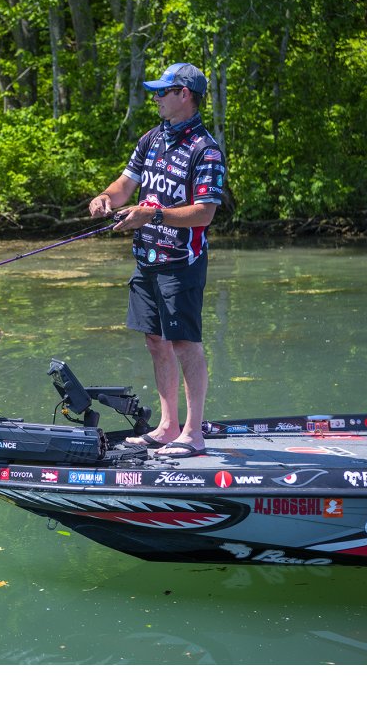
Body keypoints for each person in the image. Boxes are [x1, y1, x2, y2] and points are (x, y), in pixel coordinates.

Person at [89, 62, 226, 458]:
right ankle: (168, 427)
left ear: (185, 94)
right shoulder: (152, 138)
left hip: (181, 262)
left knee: (185, 343)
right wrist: (106, 198)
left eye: (163, 91)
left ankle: (193, 434)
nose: (156, 98)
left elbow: (204, 213)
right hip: (146, 259)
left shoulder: (206, 150)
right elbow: (125, 184)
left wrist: (152, 215)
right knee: (155, 340)